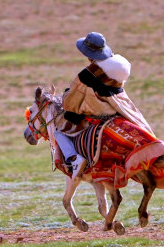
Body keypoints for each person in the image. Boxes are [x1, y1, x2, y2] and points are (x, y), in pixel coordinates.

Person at [54, 32, 155, 180]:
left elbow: (72, 100)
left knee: (59, 130)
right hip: (119, 106)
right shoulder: (121, 64)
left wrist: (67, 97)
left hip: (100, 109)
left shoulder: (89, 73)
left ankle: (74, 159)